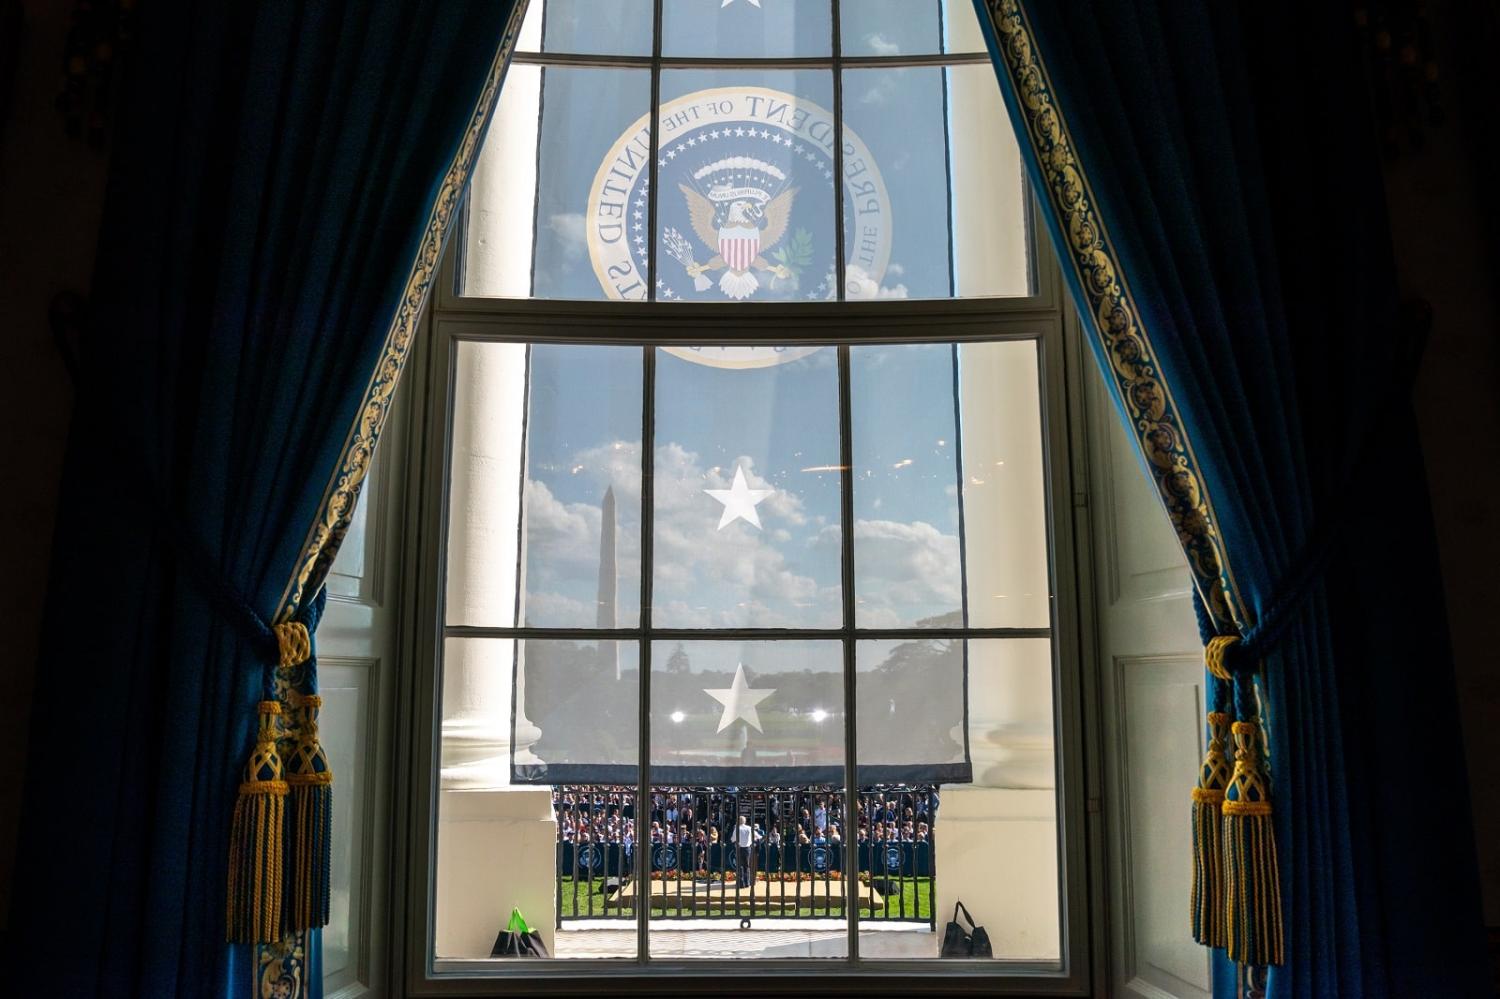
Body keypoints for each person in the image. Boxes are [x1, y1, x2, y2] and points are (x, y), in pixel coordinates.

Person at [735, 814, 753, 885]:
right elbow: (756, 836)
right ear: (745, 821)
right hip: (747, 849)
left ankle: (741, 883)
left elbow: (733, 839)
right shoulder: (749, 828)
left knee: (740, 866)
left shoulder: (737, 828)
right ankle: (747, 882)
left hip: (739, 848)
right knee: (746, 866)